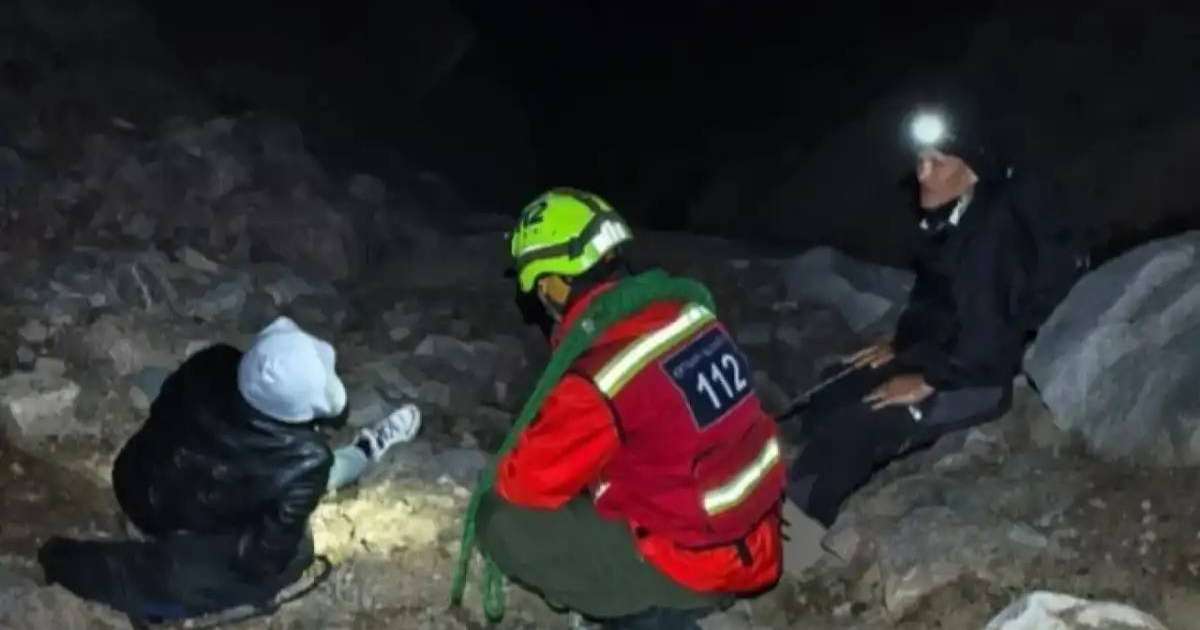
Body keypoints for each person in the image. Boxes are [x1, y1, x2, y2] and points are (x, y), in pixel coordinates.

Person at [456, 188, 785, 630]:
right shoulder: (688, 311)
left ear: (556, 281)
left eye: (539, 285)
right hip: (755, 536)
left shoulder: (600, 372)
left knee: (500, 520)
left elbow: (524, 485)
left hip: (696, 564)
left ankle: (650, 614)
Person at [37, 316, 421, 622]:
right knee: (298, 549)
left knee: (304, 480)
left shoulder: (213, 360)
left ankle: (367, 449)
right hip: (182, 518)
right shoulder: (305, 459)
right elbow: (262, 560)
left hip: (136, 485)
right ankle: (367, 450)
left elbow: (162, 417)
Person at [787, 109, 1050, 530]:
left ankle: (794, 536)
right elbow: (934, 301)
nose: (923, 173)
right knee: (834, 388)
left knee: (857, 424)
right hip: (944, 354)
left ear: (973, 173)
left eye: (938, 163)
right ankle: (787, 474)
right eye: (921, 160)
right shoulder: (952, 219)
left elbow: (988, 339)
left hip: (978, 379)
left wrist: (927, 382)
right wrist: (900, 346)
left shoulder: (993, 236)